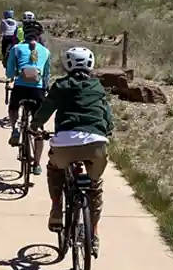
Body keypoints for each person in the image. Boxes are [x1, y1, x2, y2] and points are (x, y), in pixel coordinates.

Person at [29, 47, 113, 257]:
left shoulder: (61, 86)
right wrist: (107, 130)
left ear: (67, 65)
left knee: (55, 169)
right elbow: (108, 117)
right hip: (96, 143)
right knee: (94, 186)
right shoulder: (98, 87)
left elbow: (46, 109)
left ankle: (57, 207)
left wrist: (35, 126)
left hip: (65, 142)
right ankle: (93, 234)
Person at [4, 29, 51, 175]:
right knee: (38, 129)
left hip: (21, 88)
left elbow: (10, 71)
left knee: (13, 108)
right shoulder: (46, 51)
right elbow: (47, 75)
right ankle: (37, 164)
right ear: (38, 39)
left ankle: (15, 130)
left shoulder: (16, 48)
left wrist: (13, 76)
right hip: (37, 91)